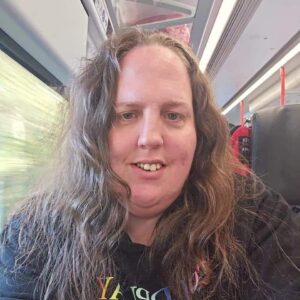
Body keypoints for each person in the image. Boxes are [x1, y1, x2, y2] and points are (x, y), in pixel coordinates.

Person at [0, 28, 299, 300]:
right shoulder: (33, 236)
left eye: (173, 115)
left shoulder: (257, 220)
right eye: (127, 115)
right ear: (95, 133)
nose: (150, 138)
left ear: (200, 133)